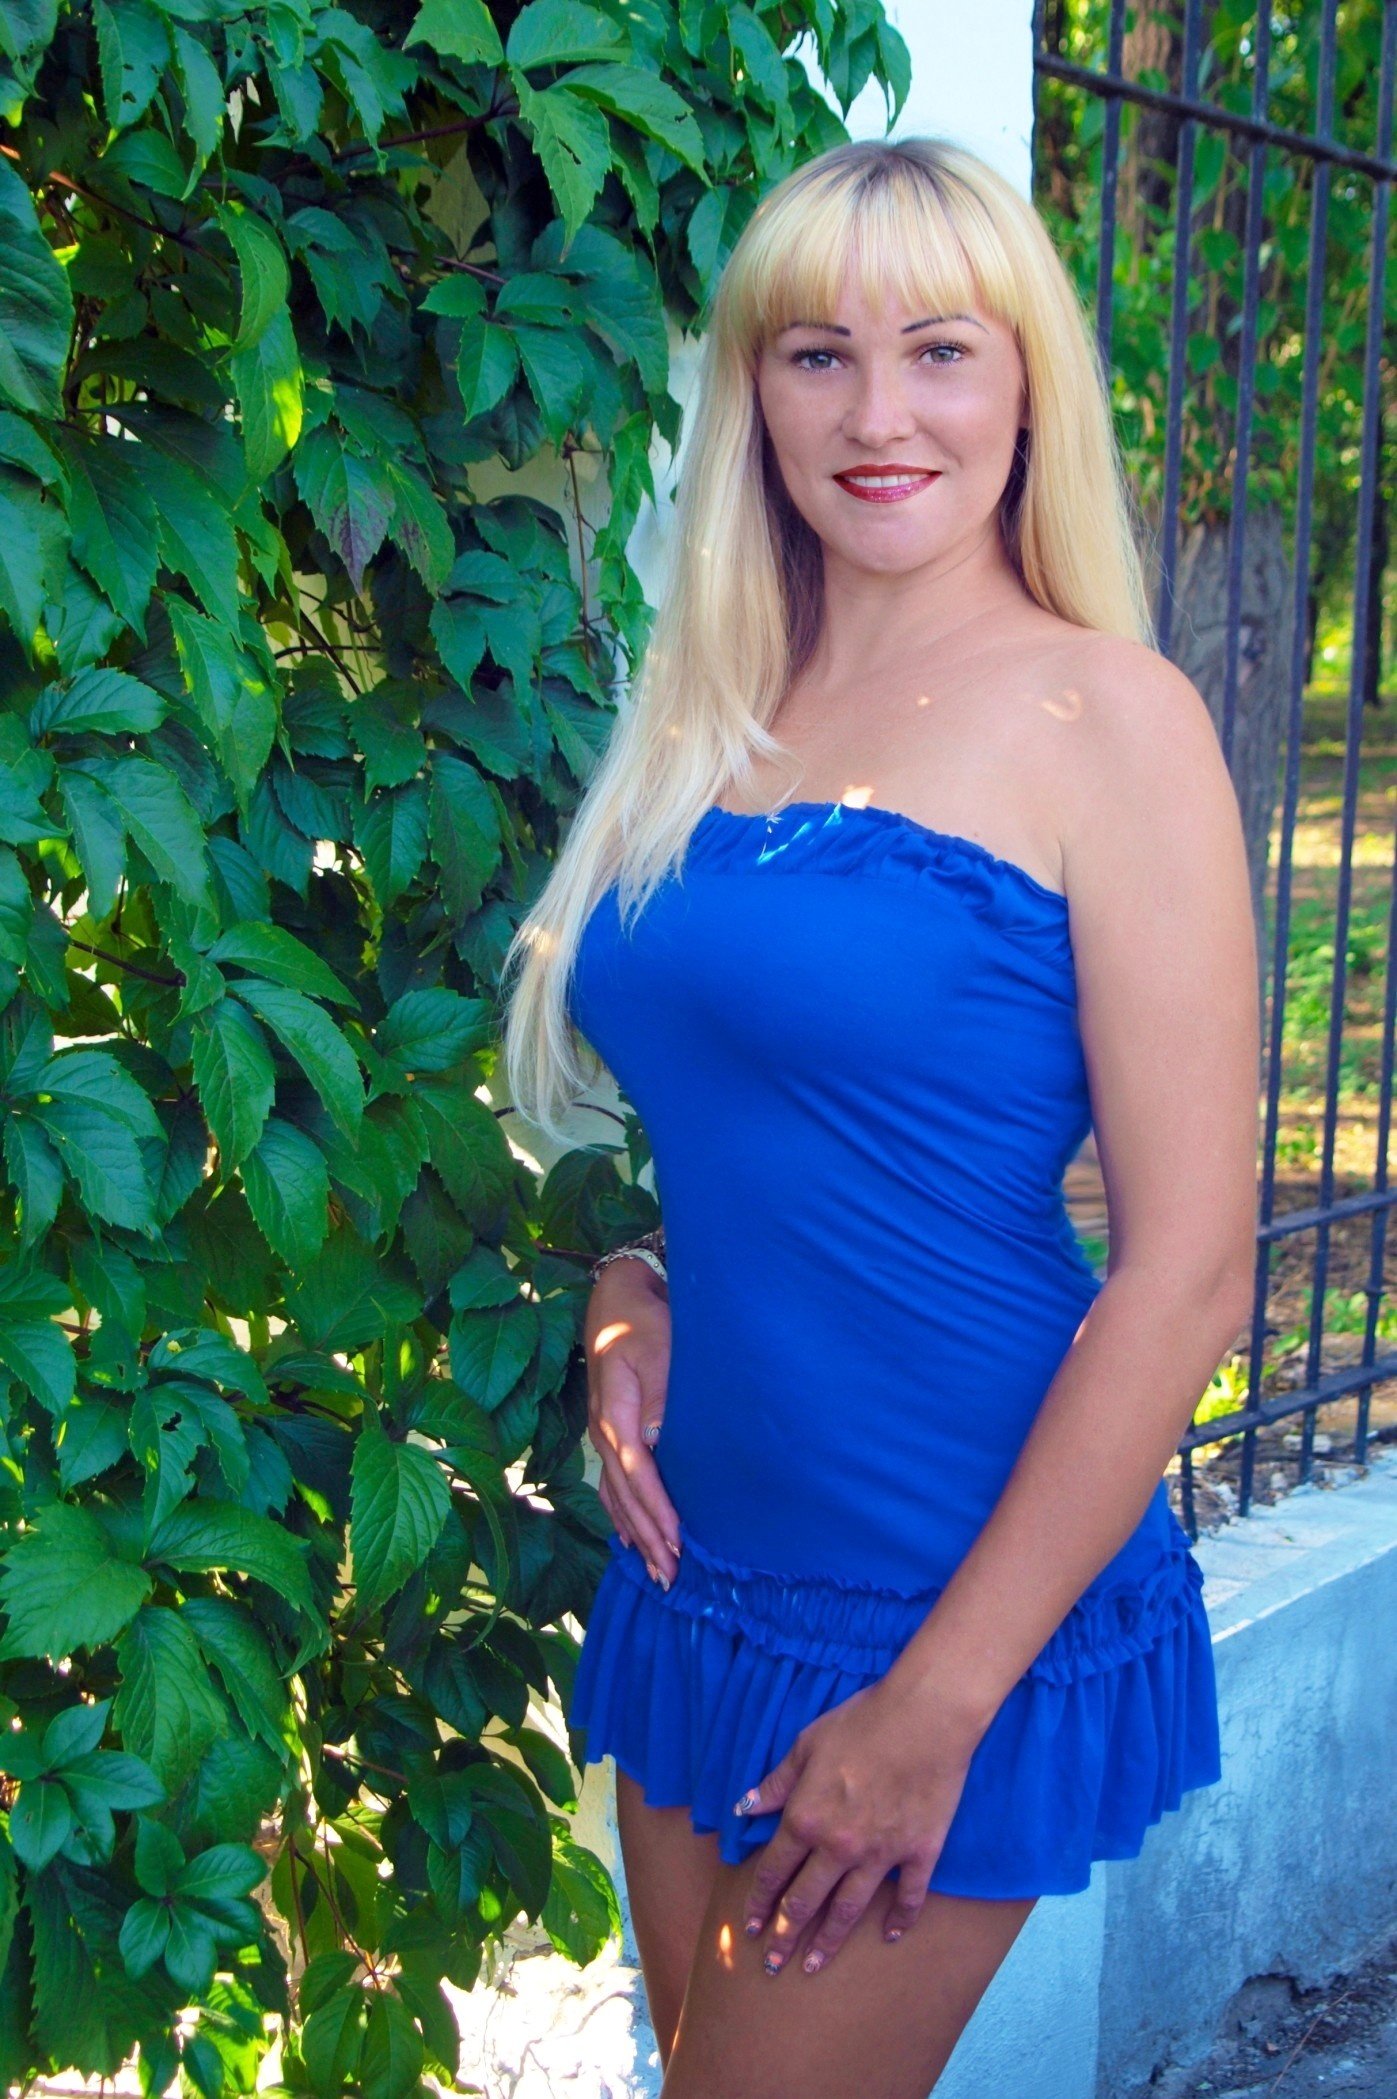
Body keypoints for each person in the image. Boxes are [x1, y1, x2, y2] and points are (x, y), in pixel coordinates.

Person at [500, 135, 1260, 2099]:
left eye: (939, 351)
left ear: (1026, 388)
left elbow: (1190, 1275)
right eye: (816, 355)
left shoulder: (1109, 718)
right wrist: (635, 1279)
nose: (877, 415)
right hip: (706, 1572)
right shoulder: (717, 710)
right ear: (754, 392)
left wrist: (938, 1704)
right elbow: (771, 1117)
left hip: (945, 1586)